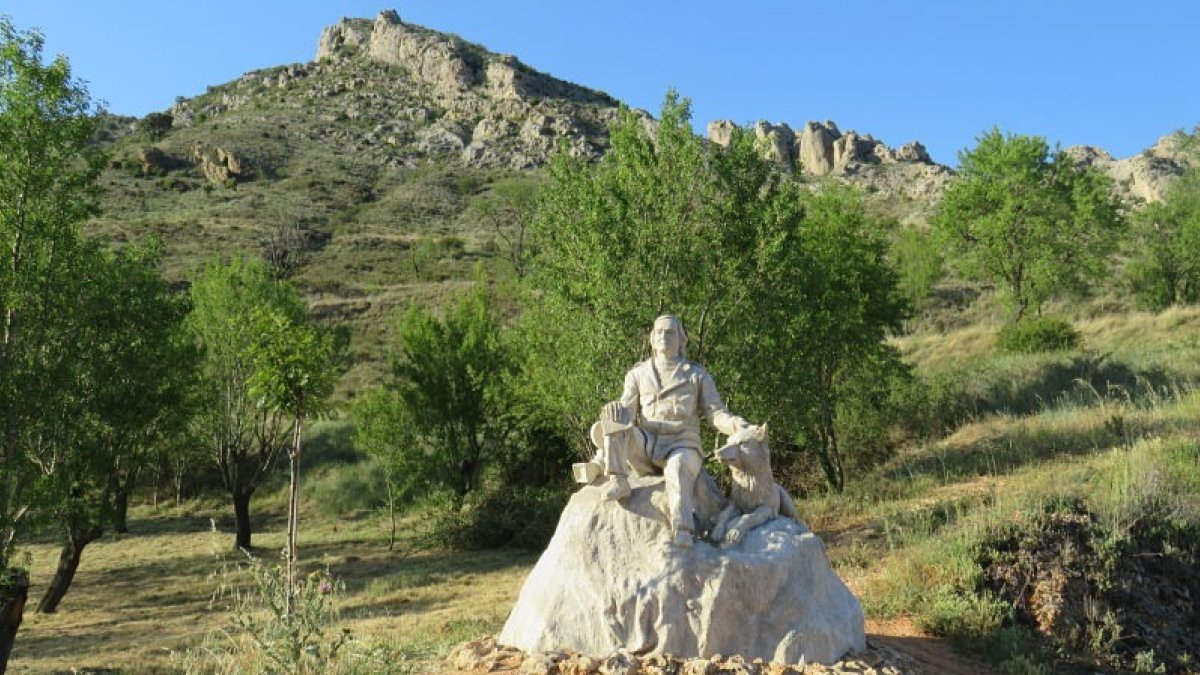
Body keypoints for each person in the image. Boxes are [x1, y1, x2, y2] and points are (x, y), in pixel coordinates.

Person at [578, 314, 748, 547]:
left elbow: (715, 413)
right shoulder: (638, 374)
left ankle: (682, 528)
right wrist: (614, 411)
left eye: (669, 332)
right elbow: (626, 412)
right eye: (659, 332)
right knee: (614, 419)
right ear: (651, 338)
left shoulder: (697, 375)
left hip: (682, 444)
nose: (663, 336)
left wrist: (736, 425)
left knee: (677, 468)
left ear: (681, 339)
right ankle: (619, 480)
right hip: (647, 444)